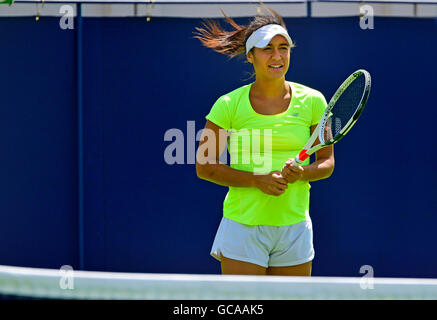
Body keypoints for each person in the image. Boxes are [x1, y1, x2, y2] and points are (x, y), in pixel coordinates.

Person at [194, 6, 334, 276]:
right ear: (250, 56)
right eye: (267, 48)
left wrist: (302, 173)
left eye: (283, 47)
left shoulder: (315, 101)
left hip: (294, 227)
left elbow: (327, 163)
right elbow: (205, 167)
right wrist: (258, 179)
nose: (277, 56)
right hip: (243, 227)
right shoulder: (227, 105)